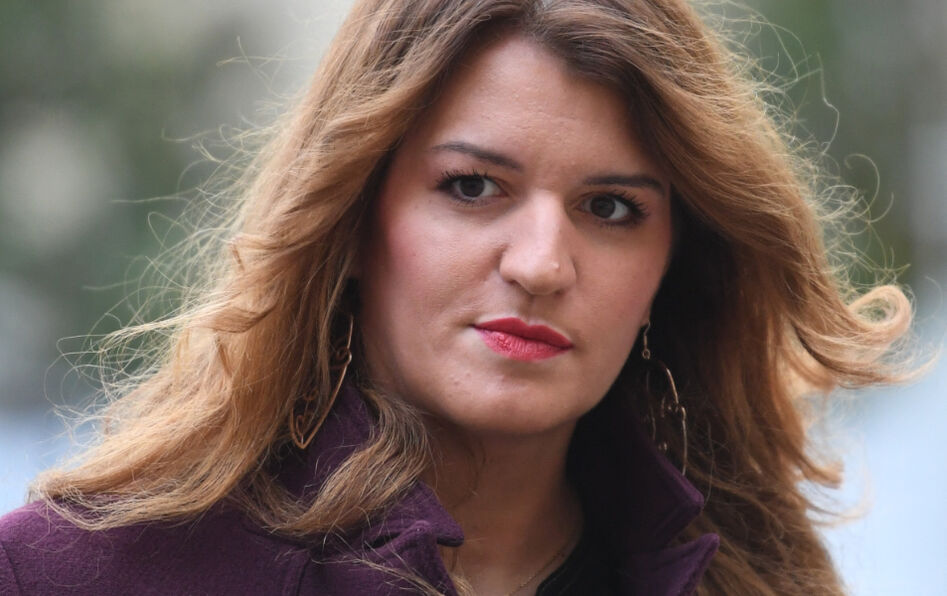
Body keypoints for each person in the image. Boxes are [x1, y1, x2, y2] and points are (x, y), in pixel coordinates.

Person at [0, 1, 914, 594]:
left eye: (610, 208)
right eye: (472, 187)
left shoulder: (753, 578)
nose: (541, 264)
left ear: (673, 265)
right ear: (352, 221)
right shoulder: (73, 574)